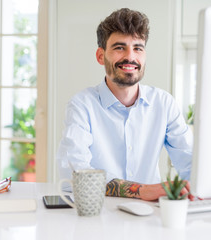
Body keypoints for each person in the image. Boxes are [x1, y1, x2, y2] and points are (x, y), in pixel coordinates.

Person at [57, 8, 194, 201]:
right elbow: (76, 171)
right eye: (119, 47)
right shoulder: (82, 105)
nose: (130, 57)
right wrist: (141, 190)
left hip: (151, 215)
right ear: (100, 56)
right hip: (99, 215)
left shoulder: (164, 103)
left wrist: (206, 189)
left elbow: (189, 161)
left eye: (138, 48)